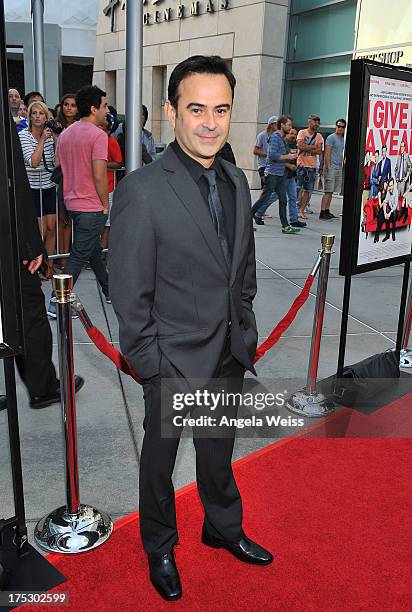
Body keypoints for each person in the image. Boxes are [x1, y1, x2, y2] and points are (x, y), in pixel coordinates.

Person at [109, 55, 273, 602]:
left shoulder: (235, 178)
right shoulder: (143, 190)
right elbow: (129, 296)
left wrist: (243, 321)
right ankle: (159, 546)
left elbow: (241, 267)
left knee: (218, 451)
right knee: (159, 466)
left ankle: (222, 528)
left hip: (228, 350)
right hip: (171, 362)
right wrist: (153, 365)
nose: (209, 122)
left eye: (221, 109)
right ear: (170, 112)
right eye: (196, 108)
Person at [0, 115, 84, 413]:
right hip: (8, 245)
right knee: (29, 313)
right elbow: (13, 183)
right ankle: (44, 387)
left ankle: (43, 385)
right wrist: (31, 244)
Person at [47, 85, 110, 318]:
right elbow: (99, 174)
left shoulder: (66, 134)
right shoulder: (98, 135)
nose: (106, 110)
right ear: (93, 109)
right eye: (104, 106)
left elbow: (59, 167)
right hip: (91, 206)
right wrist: (105, 204)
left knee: (92, 250)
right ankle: (56, 302)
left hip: (71, 203)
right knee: (77, 257)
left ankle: (109, 290)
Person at [18, 101, 57, 279]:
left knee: (51, 227)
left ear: (46, 116)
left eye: (41, 113)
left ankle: (49, 264)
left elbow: (56, 162)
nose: (37, 117)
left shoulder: (50, 136)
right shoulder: (23, 136)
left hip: (48, 187)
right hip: (32, 188)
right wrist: (42, 140)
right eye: (33, 113)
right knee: (38, 230)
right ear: (29, 116)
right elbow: (33, 162)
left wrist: (56, 138)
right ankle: (36, 263)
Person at [251, 115, 300, 233]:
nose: (290, 127)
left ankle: (285, 226)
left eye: (291, 125)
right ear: (282, 125)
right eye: (288, 125)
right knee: (264, 198)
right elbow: (272, 156)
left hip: (280, 174)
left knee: (283, 200)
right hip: (272, 174)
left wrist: (291, 156)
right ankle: (246, 219)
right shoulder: (275, 137)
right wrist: (287, 157)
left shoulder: (283, 138)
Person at [55, 93, 79, 267]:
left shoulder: (81, 126)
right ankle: (62, 258)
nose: (69, 108)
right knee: (63, 219)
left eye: (73, 105)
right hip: (62, 177)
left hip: (78, 177)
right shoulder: (56, 126)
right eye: (66, 104)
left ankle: (70, 256)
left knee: (73, 220)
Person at [101, 106, 123, 253]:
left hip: (108, 187)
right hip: (93, 187)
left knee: (107, 221)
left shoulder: (111, 141)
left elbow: (119, 162)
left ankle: (101, 250)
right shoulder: (94, 139)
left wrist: (101, 164)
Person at [297, 114, 323, 219]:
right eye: (314, 121)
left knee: (308, 190)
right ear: (309, 121)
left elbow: (319, 150)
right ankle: (294, 209)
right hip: (301, 165)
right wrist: (313, 147)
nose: (316, 123)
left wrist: (307, 148)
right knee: (297, 188)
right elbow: (300, 146)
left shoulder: (319, 136)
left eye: (318, 121)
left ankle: (301, 210)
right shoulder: (302, 132)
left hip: (312, 167)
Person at [319, 118, 346, 220]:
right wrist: (328, 167)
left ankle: (327, 210)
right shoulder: (331, 138)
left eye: (342, 127)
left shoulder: (342, 139)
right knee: (328, 191)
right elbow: (327, 153)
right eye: (338, 126)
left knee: (332, 191)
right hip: (331, 167)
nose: (340, 128)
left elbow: (340, 153)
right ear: (336, 126)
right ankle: (322, 212)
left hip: (338, 167)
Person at [284, 126, 306, 228]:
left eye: (295, 134)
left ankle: (294, 220)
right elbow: (276, 158)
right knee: (272, 196)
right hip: (282, 175)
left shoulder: (294, 145)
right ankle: (258, 213)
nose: (293, 136)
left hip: (291, 175)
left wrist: (297, 165)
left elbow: (294, 158)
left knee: (293, 197)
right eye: (291, 133)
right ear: (287, 134)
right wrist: (289, 165)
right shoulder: (283, 144)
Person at [254, 116, 277, 187]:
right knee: (266, 187)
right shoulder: (262, 135)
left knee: (272, 189)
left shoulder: (276, 136)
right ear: (271, 125)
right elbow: (255, 151)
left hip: (273, 166)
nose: (278, 126)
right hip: (263, 165)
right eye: (276, 124)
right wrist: (268, 155)